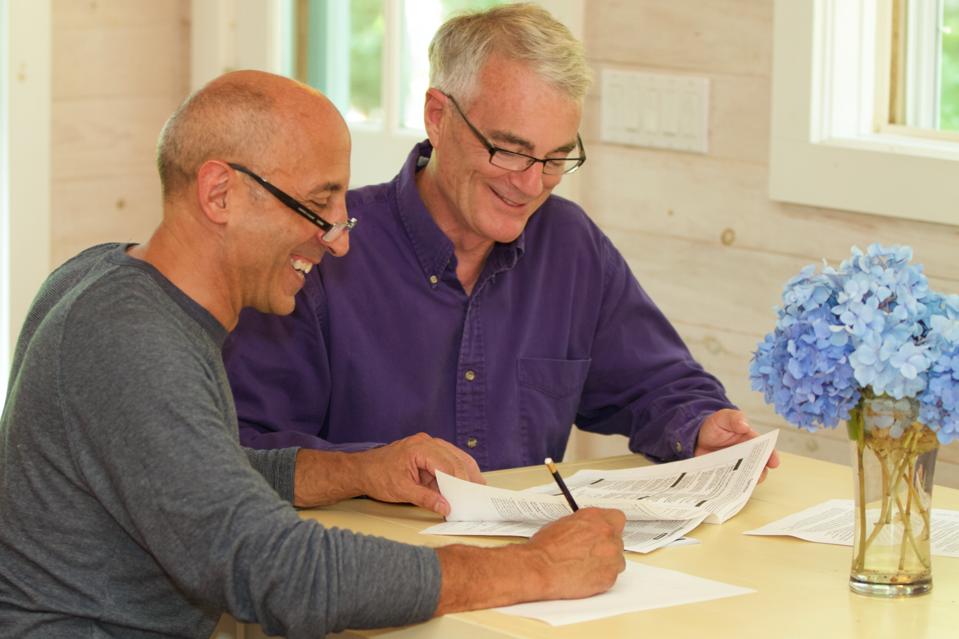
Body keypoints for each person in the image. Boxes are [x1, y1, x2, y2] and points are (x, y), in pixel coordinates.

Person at [0, 70, 626, 638]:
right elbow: (280, 573)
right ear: (219, 194)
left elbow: (196, 472)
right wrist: (533, 567)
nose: (338, 240)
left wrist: (359, 471)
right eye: (317, 204)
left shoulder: (105, 280)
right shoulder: (132, 342)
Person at [224, 3, 780, 474]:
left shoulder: (569, 245)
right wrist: (371, 470)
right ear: (437, 117)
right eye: (510, 150)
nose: (531, 184)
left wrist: (702, 424)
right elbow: (247, 449)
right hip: (363, 573)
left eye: (557, 157)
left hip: (525, 579)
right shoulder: (322, 253)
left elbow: (654, 383)